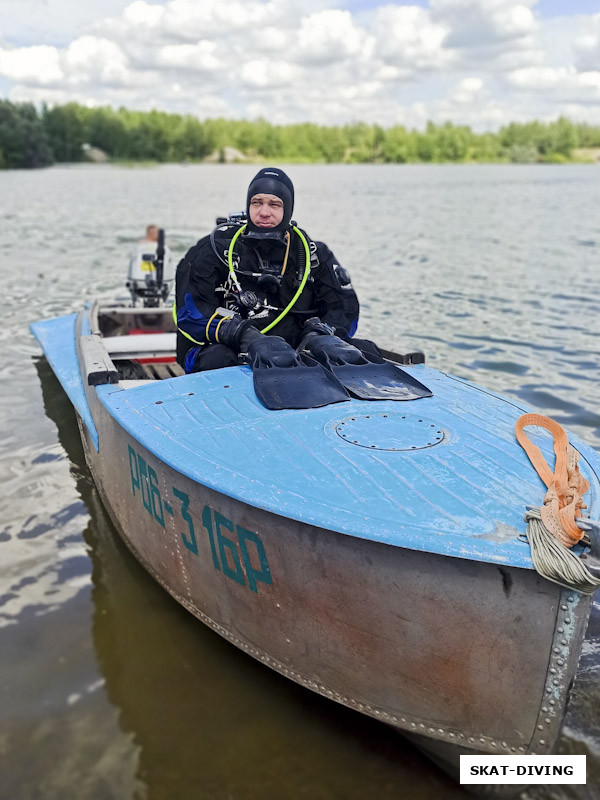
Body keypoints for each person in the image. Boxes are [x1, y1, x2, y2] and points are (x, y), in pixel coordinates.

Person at [174, 167, 360, 373]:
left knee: (362, 349)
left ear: (288, 209)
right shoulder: (215, 250)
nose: (264, 212)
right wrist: (242, 335)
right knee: (218, 358)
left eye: (274, 204)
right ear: (248, 205)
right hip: (227, 348)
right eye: (257, 202)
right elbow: (188, 314)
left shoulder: (311, 255)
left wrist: (318, 333)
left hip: (293, 350)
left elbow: (345, 310)